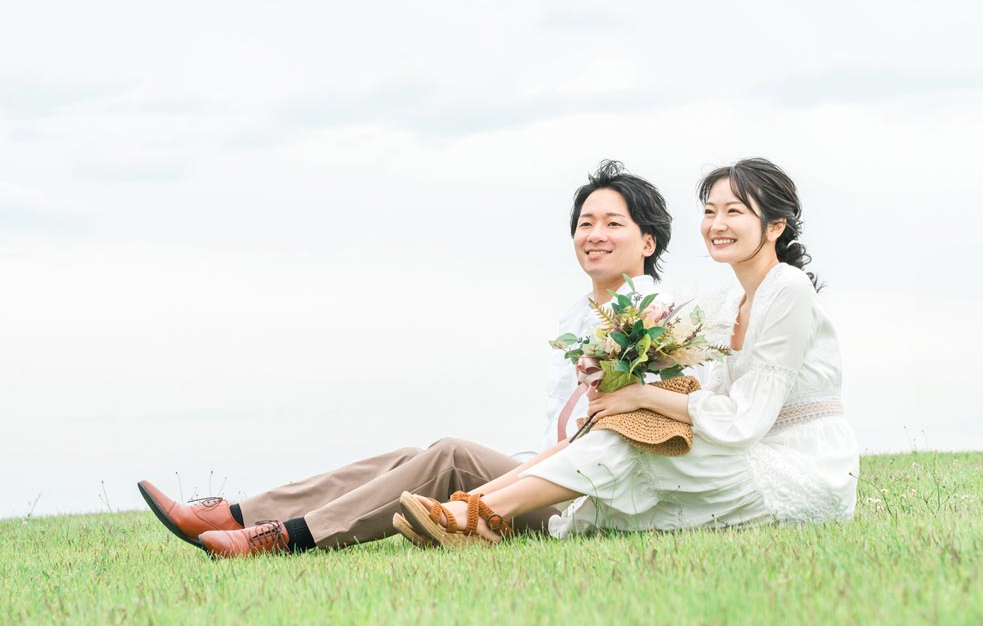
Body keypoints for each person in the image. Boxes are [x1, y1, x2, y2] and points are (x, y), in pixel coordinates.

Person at [137, 159, 674, 557]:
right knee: (406, 456)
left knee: (452, 455)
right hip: (549, 473)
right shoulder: (578, 317)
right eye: (585, 223)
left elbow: (633, 433)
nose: (594, 235)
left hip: (596, 501)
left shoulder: (660, 318)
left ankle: (285, 537)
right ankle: (235, 513)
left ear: (647, 242)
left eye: (612, 223)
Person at [397, 157, 860, 546]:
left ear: (775, 225)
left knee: (633, 432)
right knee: (624, 428)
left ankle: (477, 515)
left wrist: (640, 398)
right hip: (746, 454)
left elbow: (744, 420)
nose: (717, 225)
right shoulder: (724, 303)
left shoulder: (789, 290)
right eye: (709, 211)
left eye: (734, 212)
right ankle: (469, 510)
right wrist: (619, 370)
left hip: (801, 468)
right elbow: (697, 388)